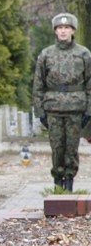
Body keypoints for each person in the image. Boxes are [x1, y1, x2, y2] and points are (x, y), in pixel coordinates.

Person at [33, 13, 91, 191]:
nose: (63, 31)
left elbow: (90, 82)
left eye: (67, 28)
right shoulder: (46, 54)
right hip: (53, 108)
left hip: (75, 108)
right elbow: (38, 84)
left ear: (73, 30)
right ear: (55, 31)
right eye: (60, 28)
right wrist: (40, 111)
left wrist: (89, 110)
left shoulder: (83, 54)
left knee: (71, 149)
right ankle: (57, 184)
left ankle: (69, 185)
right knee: (57, 149)